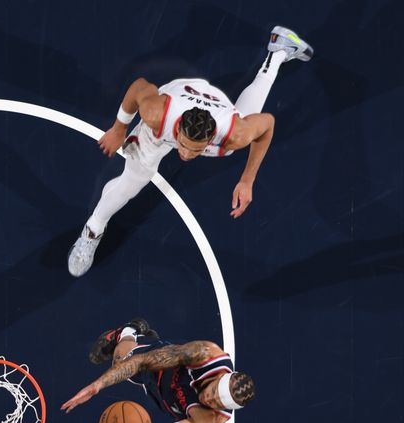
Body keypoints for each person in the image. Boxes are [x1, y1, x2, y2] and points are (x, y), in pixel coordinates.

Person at [68, 26, 314, 277]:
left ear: (210, 138)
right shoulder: (157, 114)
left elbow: (267, 125)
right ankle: (93, 230)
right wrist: (119, 128)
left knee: (236, 142)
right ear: (178, 132)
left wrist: (247, 180)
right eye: (183, 145)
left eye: (195, 150)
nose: (184, 155)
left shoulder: (233, 133)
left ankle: (278, 53)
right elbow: (140, 87)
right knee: (134, 181)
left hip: (217, 105)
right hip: (175, 101)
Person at [61, 318, 256, 423]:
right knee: (120, 361)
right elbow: (141, 362)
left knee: (130, 376)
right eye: (213, 392)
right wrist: (97, 386)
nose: (208, 399)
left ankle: (145, 336)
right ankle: (129, 331)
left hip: (165, 397)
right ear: (219, 377)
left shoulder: (211, 422)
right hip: (161, 365)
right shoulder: (204, 354)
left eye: (215, 403)